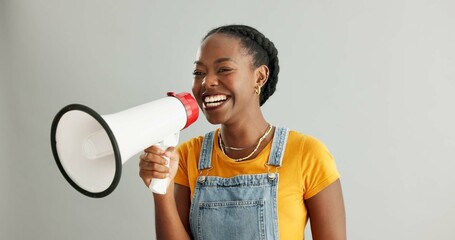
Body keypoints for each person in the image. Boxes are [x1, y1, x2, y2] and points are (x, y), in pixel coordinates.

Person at [139, 24, 346, 240]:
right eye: (199, 72)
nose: (206, 81)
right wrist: (160, 188)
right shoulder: (186, 156)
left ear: (260, 77)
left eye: (224, 69)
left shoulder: (307, 154)